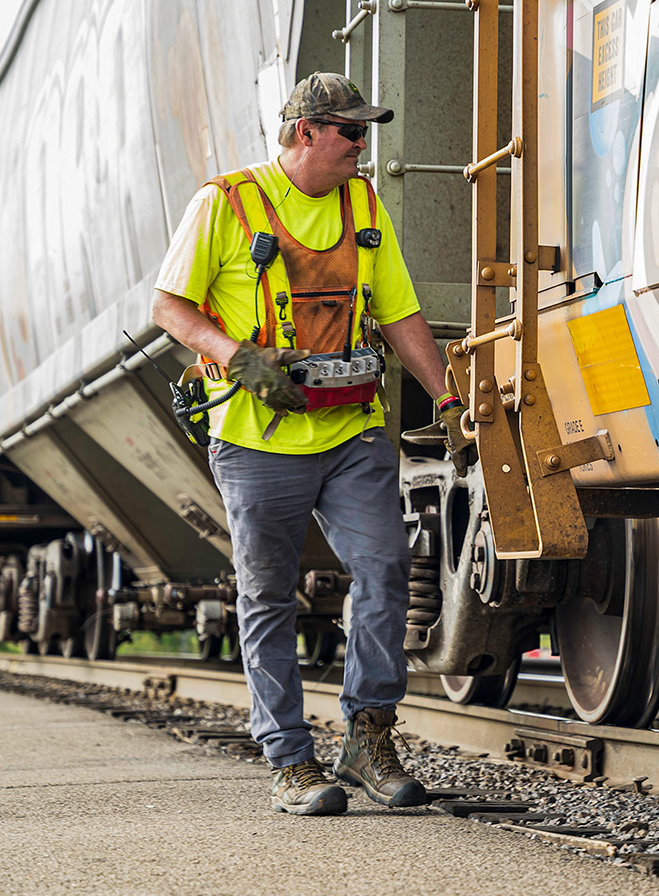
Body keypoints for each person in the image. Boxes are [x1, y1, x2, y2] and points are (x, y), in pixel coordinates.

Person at [151, 71, 471, 816]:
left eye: (365, 131)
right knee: (267, 594)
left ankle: (368, 734)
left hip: (352, 428)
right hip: (257, 439)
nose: (364, 146)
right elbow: (169, 305)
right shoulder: (226, 202)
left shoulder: (363, 205)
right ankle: (290, 761)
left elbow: (400, 315)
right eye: (352, 132)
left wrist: (452, 398)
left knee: (387, 566)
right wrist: (238, 356)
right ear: (307, 133)